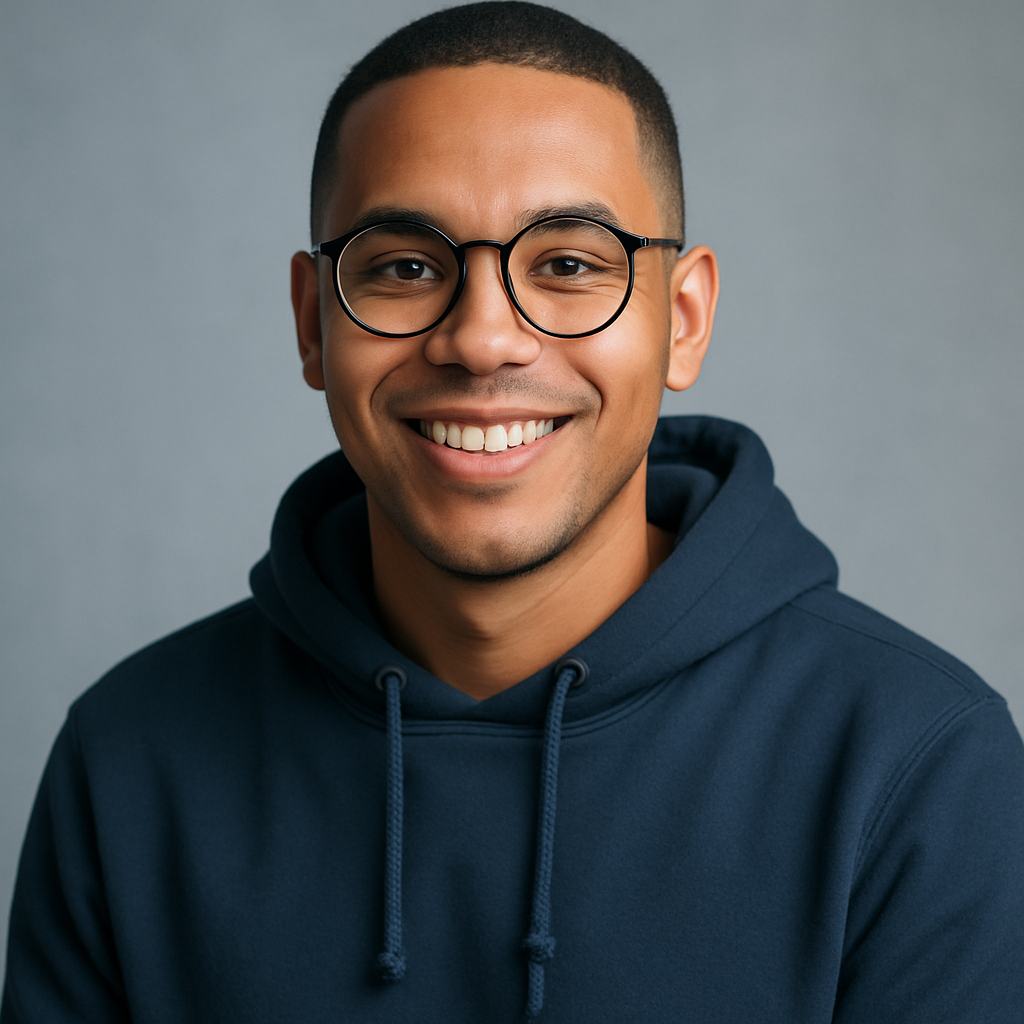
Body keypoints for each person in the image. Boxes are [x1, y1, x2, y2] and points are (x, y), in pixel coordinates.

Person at [3, 2, 1023, 1020]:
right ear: (314, 325)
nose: (482, 337)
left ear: (682, 319)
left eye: (569, 265)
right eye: (405, 267)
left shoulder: (917, 760)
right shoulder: (127, 758)